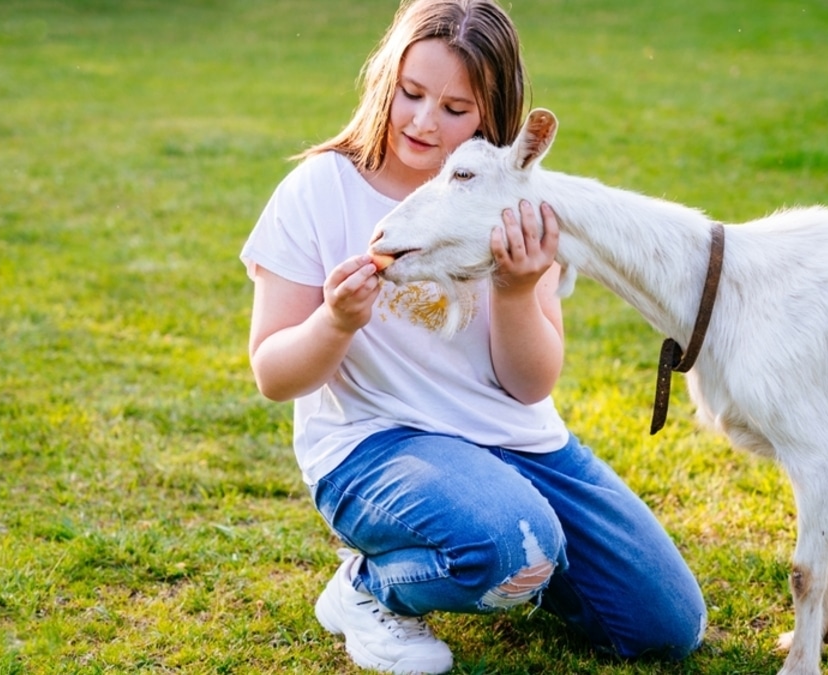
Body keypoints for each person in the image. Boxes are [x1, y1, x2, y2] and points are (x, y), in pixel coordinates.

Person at [241, 1, 706, 672]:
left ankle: (502, 559)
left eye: (456, 109)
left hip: (520, 444)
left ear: (492, 116)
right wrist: (336, 321)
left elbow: (530, 382)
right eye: (412, 93)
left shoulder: (512, 199)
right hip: (376, 445)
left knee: (668, 625)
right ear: (386, 81)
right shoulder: (317, 190)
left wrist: (517, 289)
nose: (426, 121)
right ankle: (370, 591)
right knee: (515, 544)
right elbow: (273, 374)